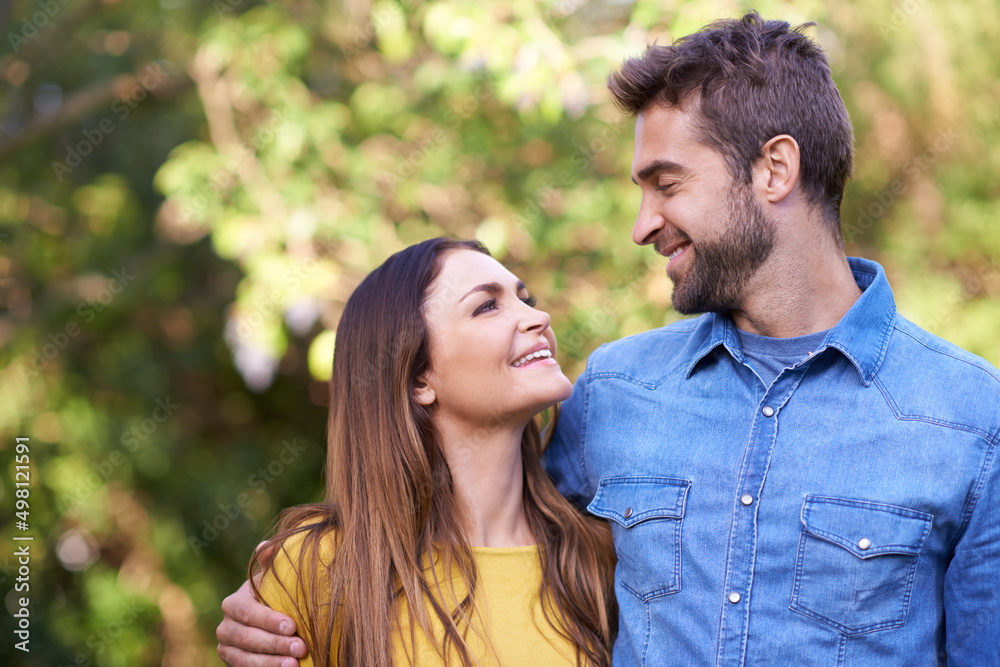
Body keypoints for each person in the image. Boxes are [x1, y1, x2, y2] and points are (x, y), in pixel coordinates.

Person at [218, 12, 1000, 666]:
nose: (642, 226)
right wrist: (281, 607)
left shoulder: (970, 417)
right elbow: (464, 521)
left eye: (667, 184)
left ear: (774, 170)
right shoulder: (613, 391)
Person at [224, 237, 616, 667]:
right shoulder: (322, 567)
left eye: (527, 299)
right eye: (487, 306)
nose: (538, 317)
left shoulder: (600, 559)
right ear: (418, 380)